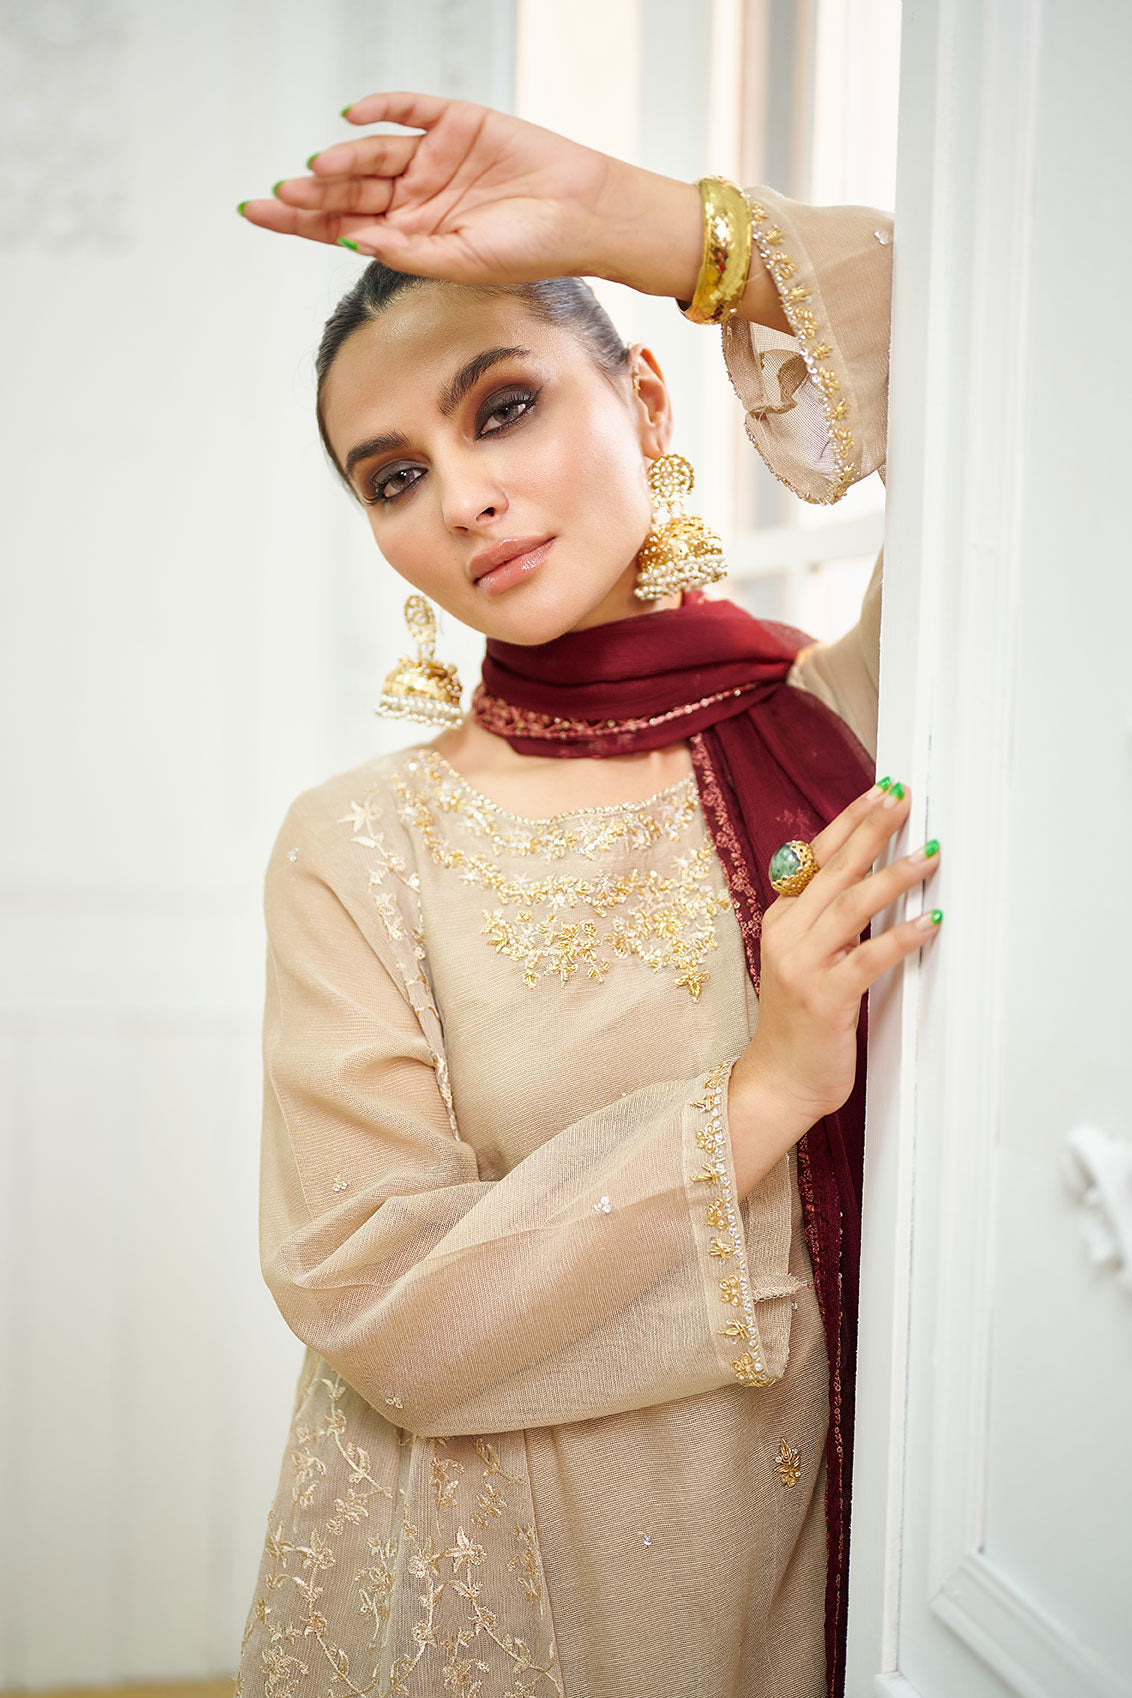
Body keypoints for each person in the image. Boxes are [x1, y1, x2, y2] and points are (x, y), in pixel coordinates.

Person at [233, 92, 940, 1698]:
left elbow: (1044, 378)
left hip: (828, 1566)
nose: (460, 498)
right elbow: (372, 1294)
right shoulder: (361, 846)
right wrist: (762, 1092)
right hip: (507, 1589)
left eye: (502, 407)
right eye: (393, 475)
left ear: (644, 396)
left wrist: (646, 224)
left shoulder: (848, 723)